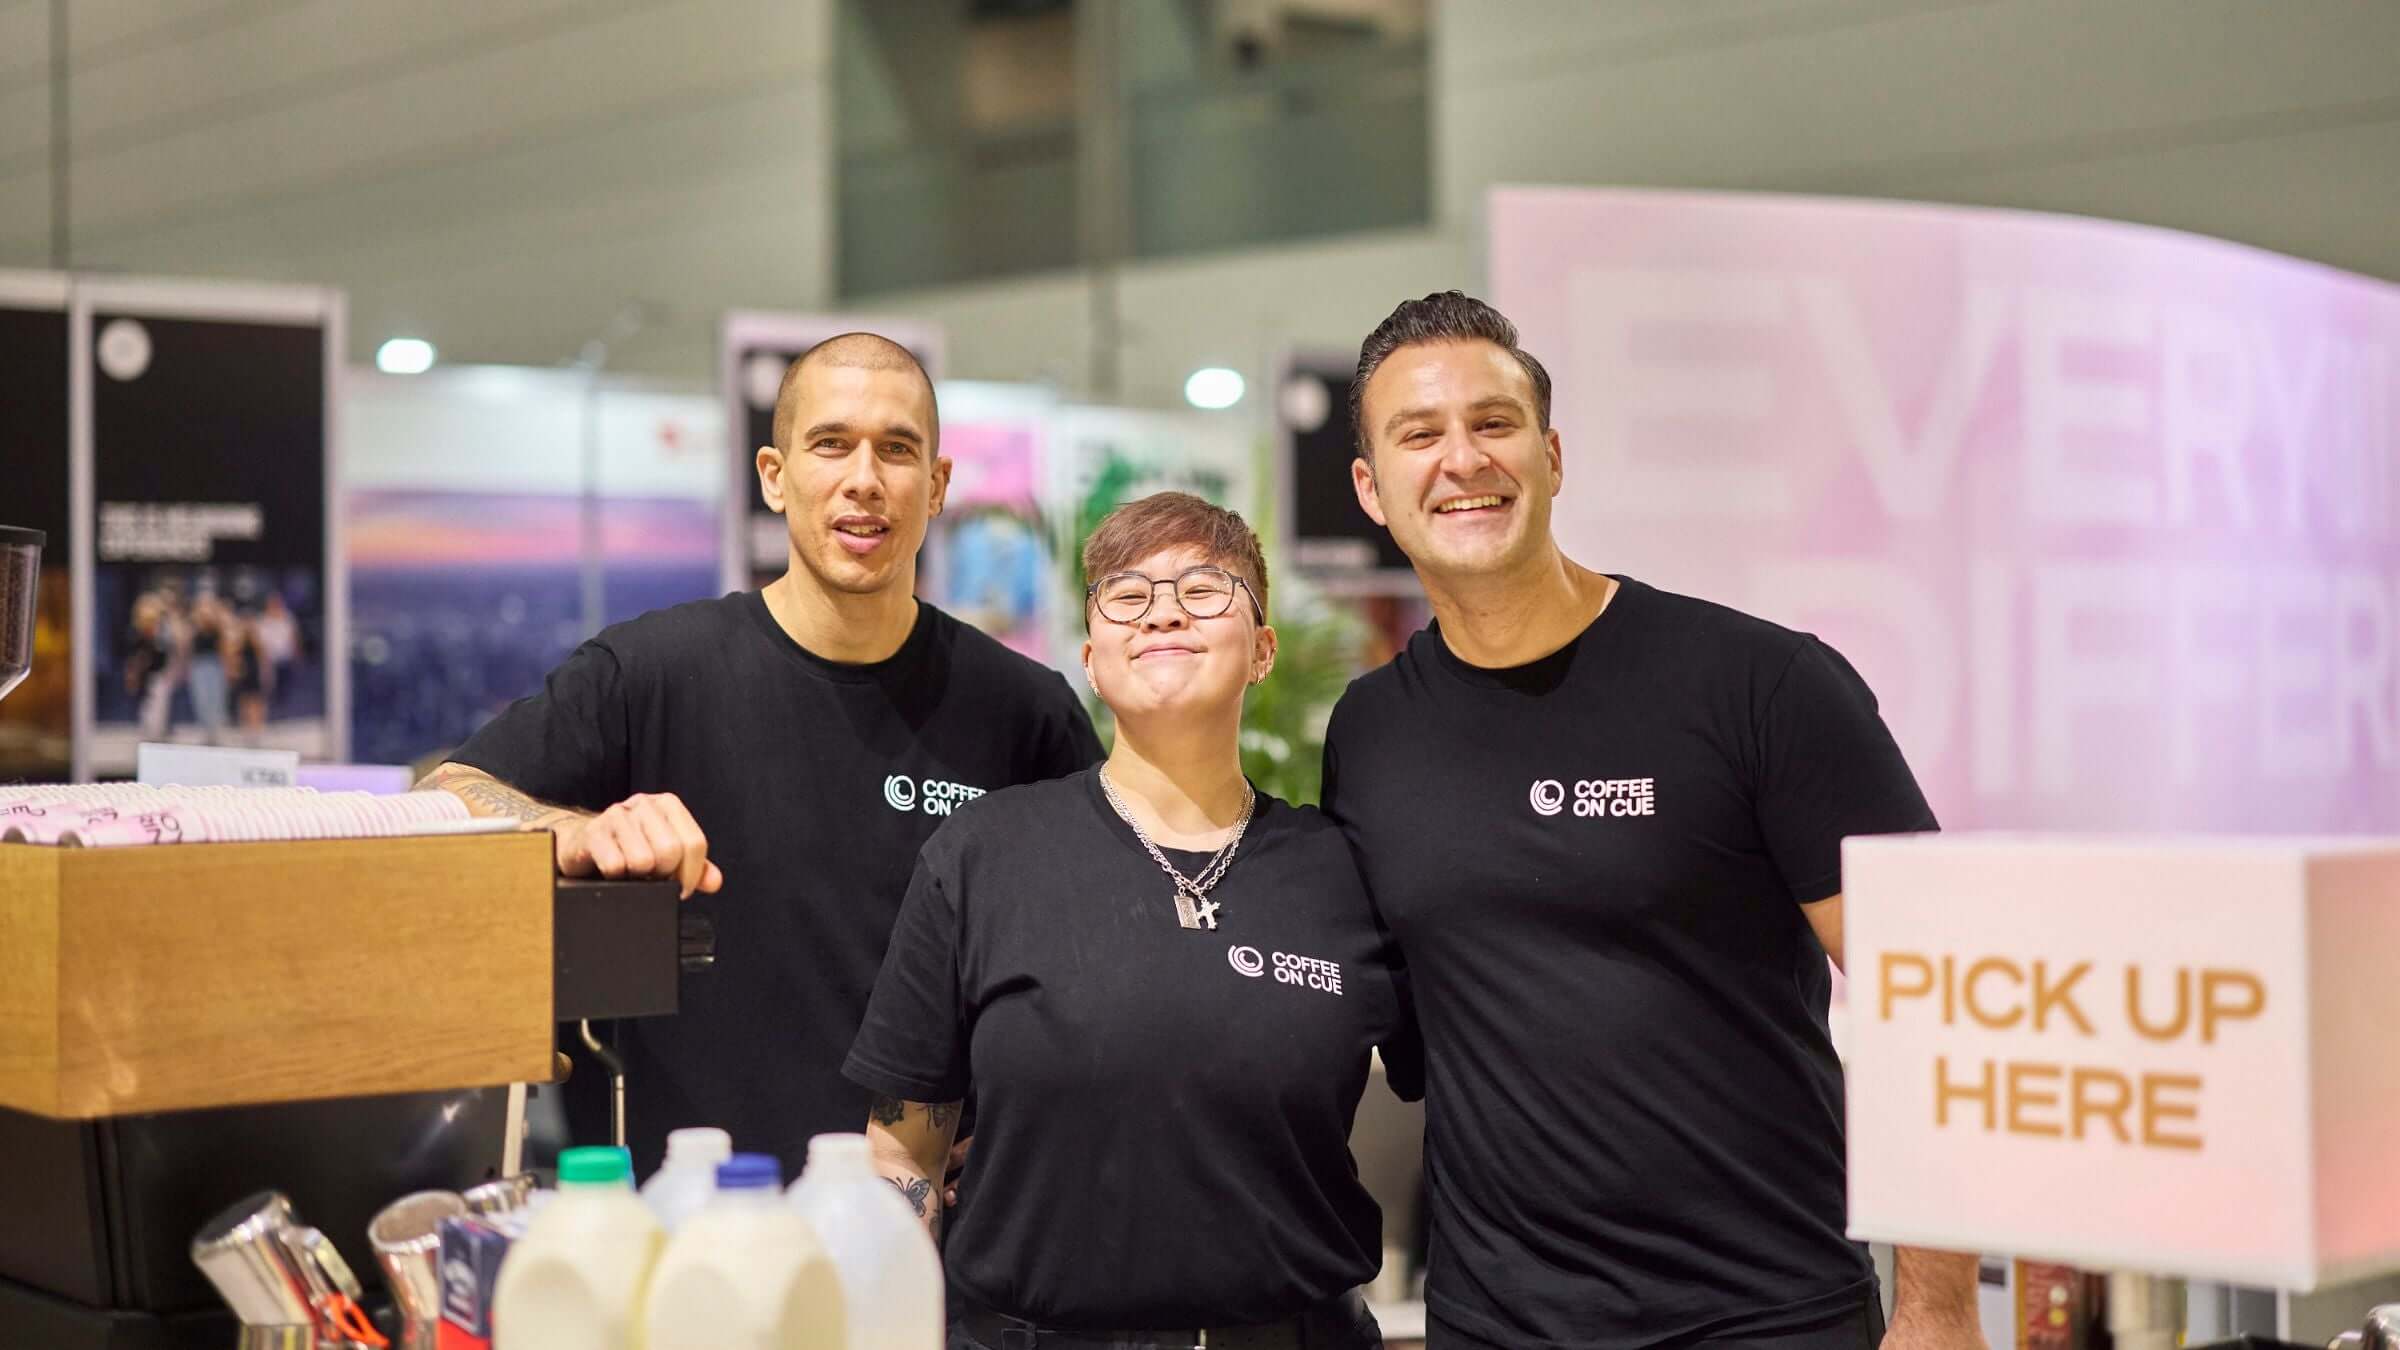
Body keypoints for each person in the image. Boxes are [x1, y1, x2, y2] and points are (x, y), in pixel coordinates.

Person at [1320, 292, 1977, 1350]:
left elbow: (1943, 1000)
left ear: (1552, 453)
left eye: (1494, 424)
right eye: (1420, 434)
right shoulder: (1371, 731)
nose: (1463, 459)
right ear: (1371, 487)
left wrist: (1939, 1309)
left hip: (1769, 1316)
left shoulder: (1761, 684)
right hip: (1499, 1326)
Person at [420, 333, 1101, 1178]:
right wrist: (577, 830)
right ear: (774, 476)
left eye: (897, 449)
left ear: (937, 487)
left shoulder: (1022, 711)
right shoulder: (652, 672)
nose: (865, 479)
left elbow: (1095, 956)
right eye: (831, 444)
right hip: (692, 1226)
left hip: (932, 1237)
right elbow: (448, 791)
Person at [847, 492, 1413, 1350]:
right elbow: (901, 1155)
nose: (1162, 613)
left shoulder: (1343, 868)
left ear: (1263, 650)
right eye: (1128, 595)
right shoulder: (983, 855)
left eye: (1203, 588)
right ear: (1092, 656)